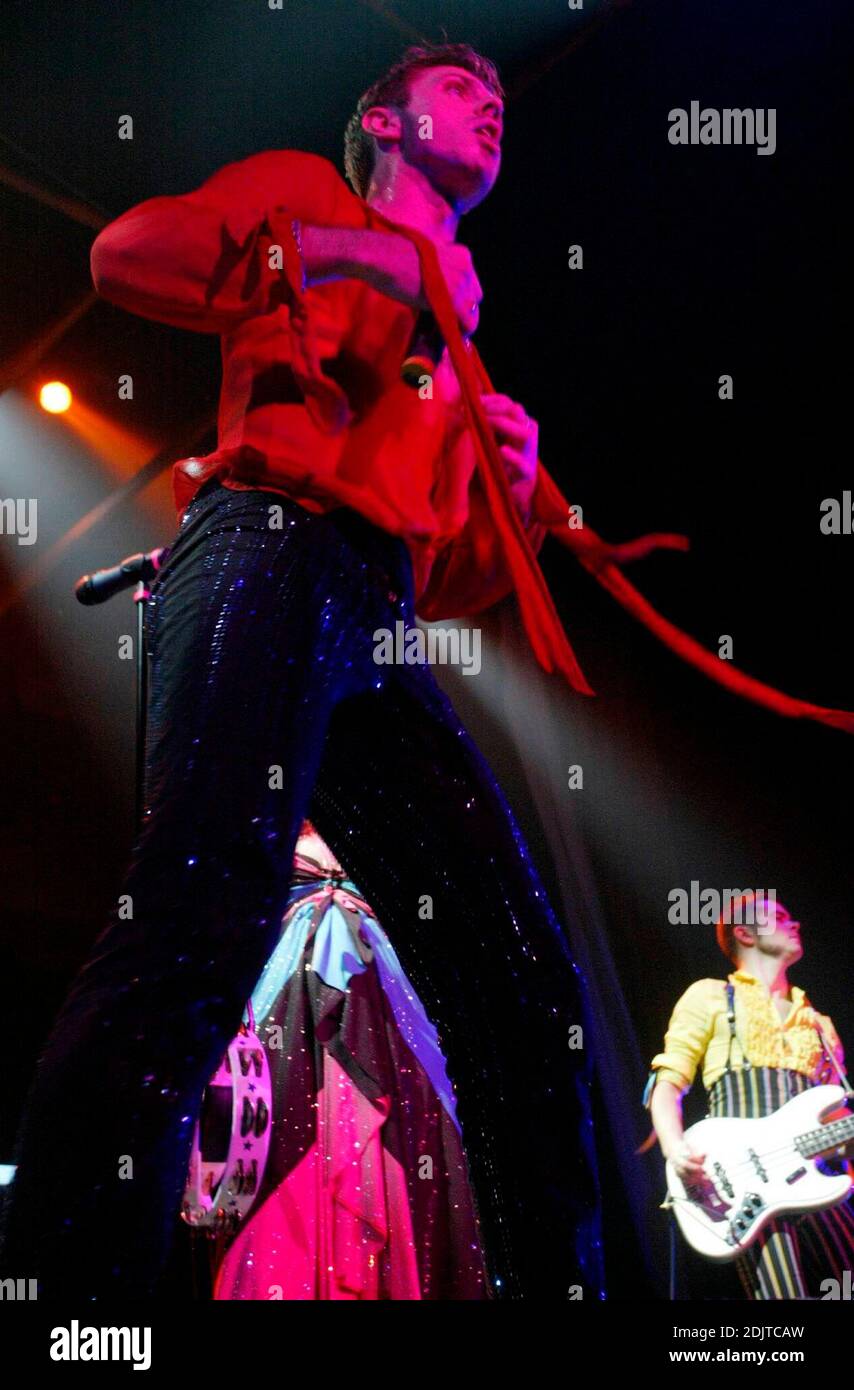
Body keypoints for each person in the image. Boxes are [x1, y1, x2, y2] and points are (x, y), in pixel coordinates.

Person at [0, 42, 603, 1301]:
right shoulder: (312, 198)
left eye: (499, 95)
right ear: (383, 120)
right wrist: (357, 254)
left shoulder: (457, 324)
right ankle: (65, 1299)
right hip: (267, 544)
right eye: (458, 87)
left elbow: (442, 581)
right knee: (199, 915)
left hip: (374, 614)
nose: (490, 104)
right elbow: (129, 254)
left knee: (520, 979)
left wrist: (515, 487)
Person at [209, 819, 490, 1300]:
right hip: (285, 999)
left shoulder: (379, 801)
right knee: (282, 1143)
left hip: (379, 996)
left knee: (396, 1131)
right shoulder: (266, 800)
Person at [647, 893, 854, 1298]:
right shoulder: (710, 996)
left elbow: (836, 1122)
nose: (793, 924)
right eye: (778, 916)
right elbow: (667, 1084)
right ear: (744, 933)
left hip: (817, 1179)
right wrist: (675, 1150)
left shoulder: (819, 1026)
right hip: (745, 1182)